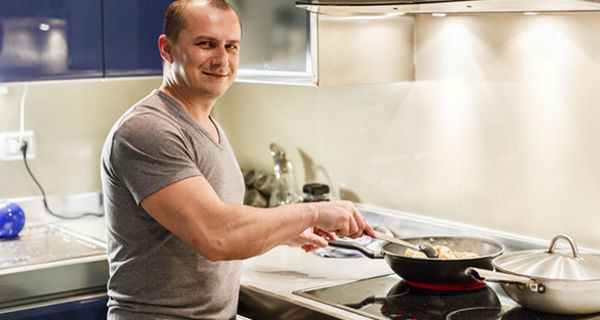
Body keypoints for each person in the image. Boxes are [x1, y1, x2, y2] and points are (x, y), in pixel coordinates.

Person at [100, 0, 375, 319]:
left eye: (231, 46)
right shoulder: (148, 130)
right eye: (206, 44)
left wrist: (283, 232)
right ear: (167, 48)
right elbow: (217, 235)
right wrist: (309, 211)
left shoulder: (206, 121)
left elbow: (218, 221)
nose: (222, 59)